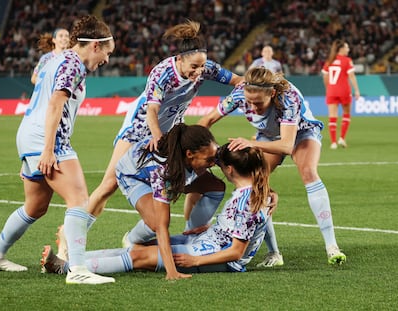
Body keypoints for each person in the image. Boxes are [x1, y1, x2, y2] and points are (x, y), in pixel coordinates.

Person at [53, 20, 243, 261]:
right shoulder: (163, 72)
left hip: (170, 134)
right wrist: (157, 137)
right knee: (108, 185)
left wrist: (255, 86)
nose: (198, 73)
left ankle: (156, 236)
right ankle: (69, 241)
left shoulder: (205, 68)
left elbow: (238, 81)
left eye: (202, 67)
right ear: (180, 59)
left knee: (184, 180)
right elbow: (152, 109)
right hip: (140, 129)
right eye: (194, 67)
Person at [0, 15, 116, 285]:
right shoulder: (74, 64)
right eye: (107, 52)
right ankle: (77, 269)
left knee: (35, 207)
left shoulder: (54, 59)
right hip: (46, 139)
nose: (107, 59)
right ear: (94, 46)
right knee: (79, 198)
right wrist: (47, 150)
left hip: (28, 135)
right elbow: (56, 104)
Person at [41, 143, 275, 276]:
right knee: (141, 247)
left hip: (214, 256)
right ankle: (75, 259)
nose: (214, 167)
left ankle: (66, 267)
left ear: (230, 169)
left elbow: (236, 252)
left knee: (139, 256)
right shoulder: (254, 192)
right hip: (207, 241)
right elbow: (245, 228)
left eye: (219, 165)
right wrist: (209, 228)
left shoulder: (247, 201)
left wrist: (194, 262)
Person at [198, 67, 347, 266]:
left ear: (272, 93)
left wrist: (252, 144)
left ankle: (332, 247)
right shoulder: (240, 93)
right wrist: (193, 145)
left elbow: (286, 145)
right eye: (249, 102)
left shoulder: (288, 99)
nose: (252, 107)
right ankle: (274, 254)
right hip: (267, 135)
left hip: (301, 132)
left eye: (258, 103)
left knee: (308, 172)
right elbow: (207, 120)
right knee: (253, 185)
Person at [321, 39, 360, 149]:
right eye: (347, 47)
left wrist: (328, 89)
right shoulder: (347, 60)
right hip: (344, 91)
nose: (348, 49)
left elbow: (325, 77)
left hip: (331, 91)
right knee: (346, 113)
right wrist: (356, 90)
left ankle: (333, 142)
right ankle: (342, 138)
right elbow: (351, 76)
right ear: (341, 49)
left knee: (332, 117)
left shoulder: (329, 61)